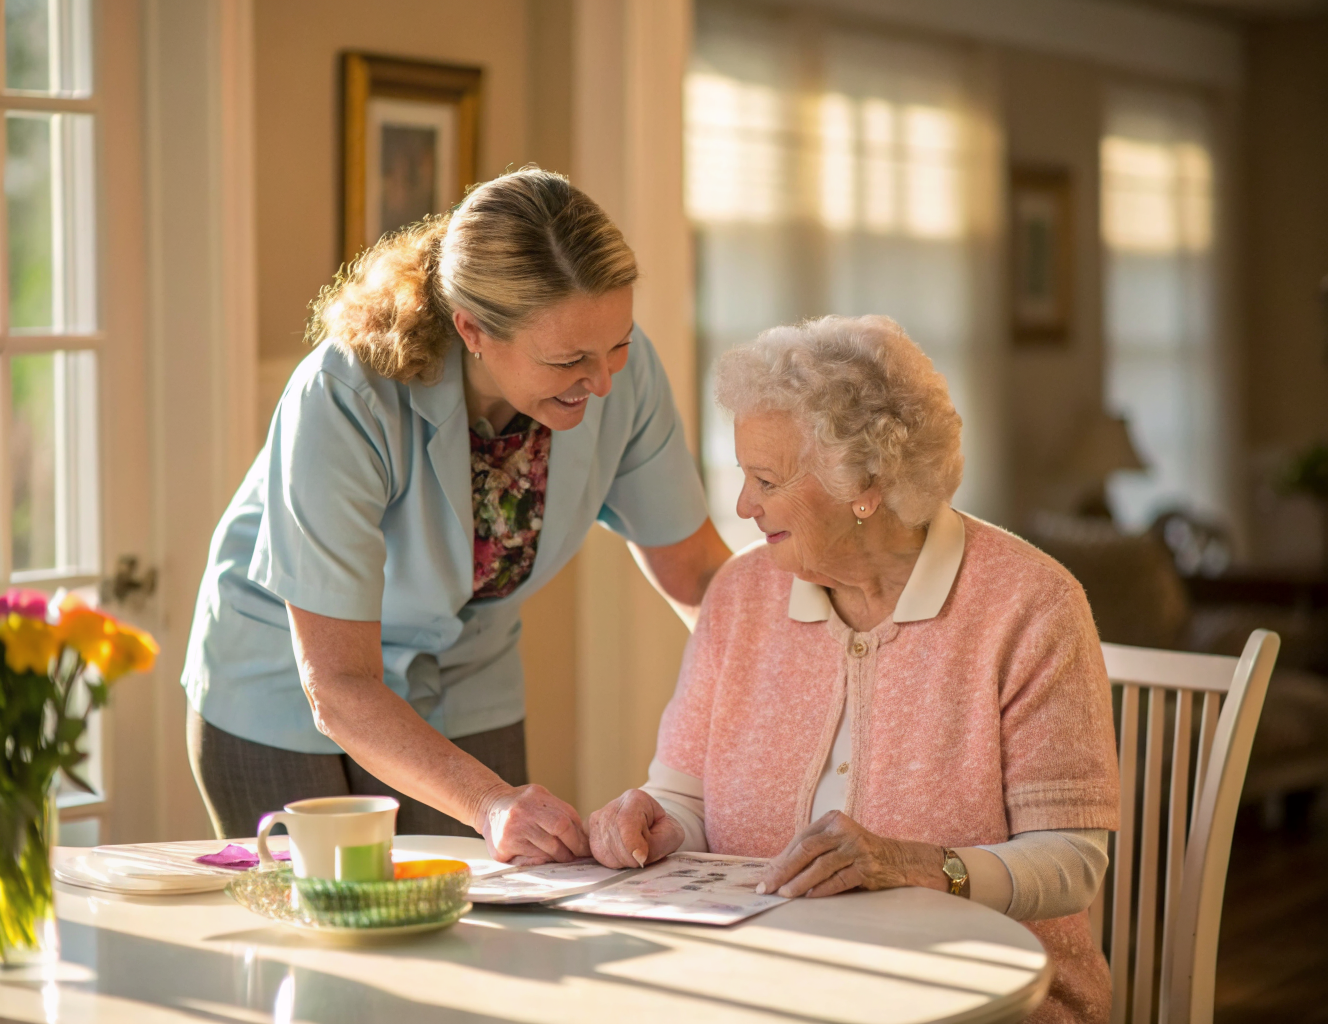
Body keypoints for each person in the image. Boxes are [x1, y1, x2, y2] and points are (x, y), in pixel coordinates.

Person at [182, 168, 730, 864]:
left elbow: (699, 573)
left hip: (468, 672)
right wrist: (489, 800)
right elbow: (341, 684)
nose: (602, 380)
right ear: (472, 329)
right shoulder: (347, 395)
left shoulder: (625, 374)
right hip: (288, 683)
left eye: (615, 344)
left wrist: (800, 684)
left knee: (490, 929)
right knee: (325, 925)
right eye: (568, 359)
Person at [589, 315, 1121, 1023]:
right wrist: (652, 820)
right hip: (765, 985)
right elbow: (684, 802)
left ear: (863, 485)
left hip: (980, 997)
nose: (744, 507)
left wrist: (922, 866)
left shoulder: (1029, 605)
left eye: (766, 480)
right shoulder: (740, 596)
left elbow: (1068, 861)